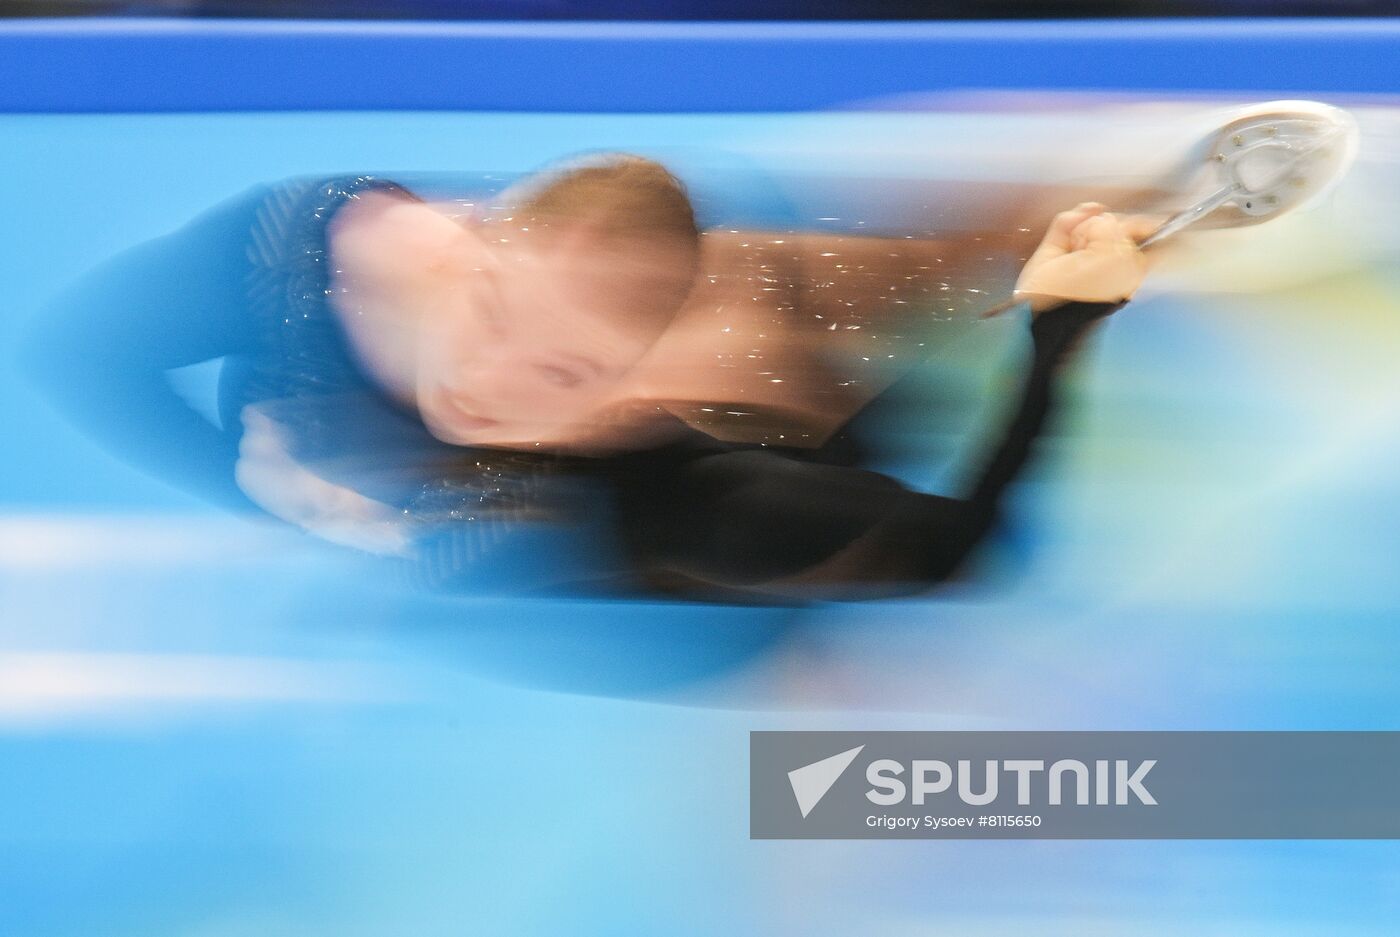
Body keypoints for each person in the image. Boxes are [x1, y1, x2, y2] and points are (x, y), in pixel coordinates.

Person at [21, 154, 1150, 600]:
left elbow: (957, 554)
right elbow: (69, 349)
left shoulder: (680, 493)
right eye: (490, 310)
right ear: (468, 247)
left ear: (625, 397)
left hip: (754, 455)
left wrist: (1062, 333)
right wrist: (250, 486)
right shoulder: (312, 243)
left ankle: (1094, 218)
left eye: (558, 372)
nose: (484, 381)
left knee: (863, 298)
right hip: (693, 292)